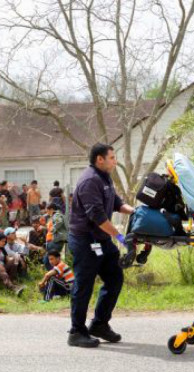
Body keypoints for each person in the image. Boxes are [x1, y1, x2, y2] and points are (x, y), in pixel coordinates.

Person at [67, 143, 134, 348]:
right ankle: (76, 332)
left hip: (102, 240)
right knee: (84, 284)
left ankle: (99, 324)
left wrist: (136, 212)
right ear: (100, 159)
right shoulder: (90, 180)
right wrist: (120, 237)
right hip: (85, 240)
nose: (115, 161)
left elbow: (116, 203)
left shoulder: (105, 178)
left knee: (115, 277)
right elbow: (97, 216)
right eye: (112, 158)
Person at [42, 203, 67, 270]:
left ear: (52, 209)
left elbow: (59, 222)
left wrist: (52, 229)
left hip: (55, 241)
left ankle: (54, 276)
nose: (47, 213)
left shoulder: (56, 215)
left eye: (47, 211)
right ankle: (56, 275)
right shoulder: (55, 215)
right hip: (54, 241)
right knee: (52, 261)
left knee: (47, 261)